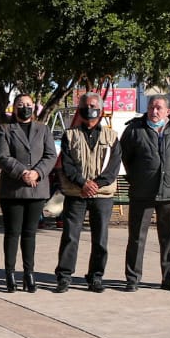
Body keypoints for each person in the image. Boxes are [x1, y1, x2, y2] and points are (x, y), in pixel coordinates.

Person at [120, 95, 170, 292]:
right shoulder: (134, 130)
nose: (154, 111)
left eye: (159, 108)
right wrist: (137, 178)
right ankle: (132, 278)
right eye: (151, 107)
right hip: (142, 192)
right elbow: (125, 158)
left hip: (168, 192)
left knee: (168, 237)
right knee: (136, 237)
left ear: (168, 111)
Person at [53, 92, 122, 293]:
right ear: (79, 110)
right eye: (85, 105)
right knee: (70, 236)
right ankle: (64, 277)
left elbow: (113, 166)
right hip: (77, 194)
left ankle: (96, 277)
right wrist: (83, 183)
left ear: (100, 110)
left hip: (102, 195)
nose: (89, 108)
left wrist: (96, 184)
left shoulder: (112, 136)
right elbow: (67, 164)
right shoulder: (69, 134)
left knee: (100, 238)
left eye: (93, 105)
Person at [0, 93, 57, 293]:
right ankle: (10, 273)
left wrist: (36, 173)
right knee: (12, 233)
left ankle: (29, 273)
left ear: (34, 108)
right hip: (12, 189)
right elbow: (2, 156)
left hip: (36, 189)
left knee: (30, 234)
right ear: (14, 108)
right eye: (21, 104)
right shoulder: (5, 129)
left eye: (29, 104)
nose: (25, 107)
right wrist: (22, 172)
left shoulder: (44, 129)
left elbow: (50, 155)